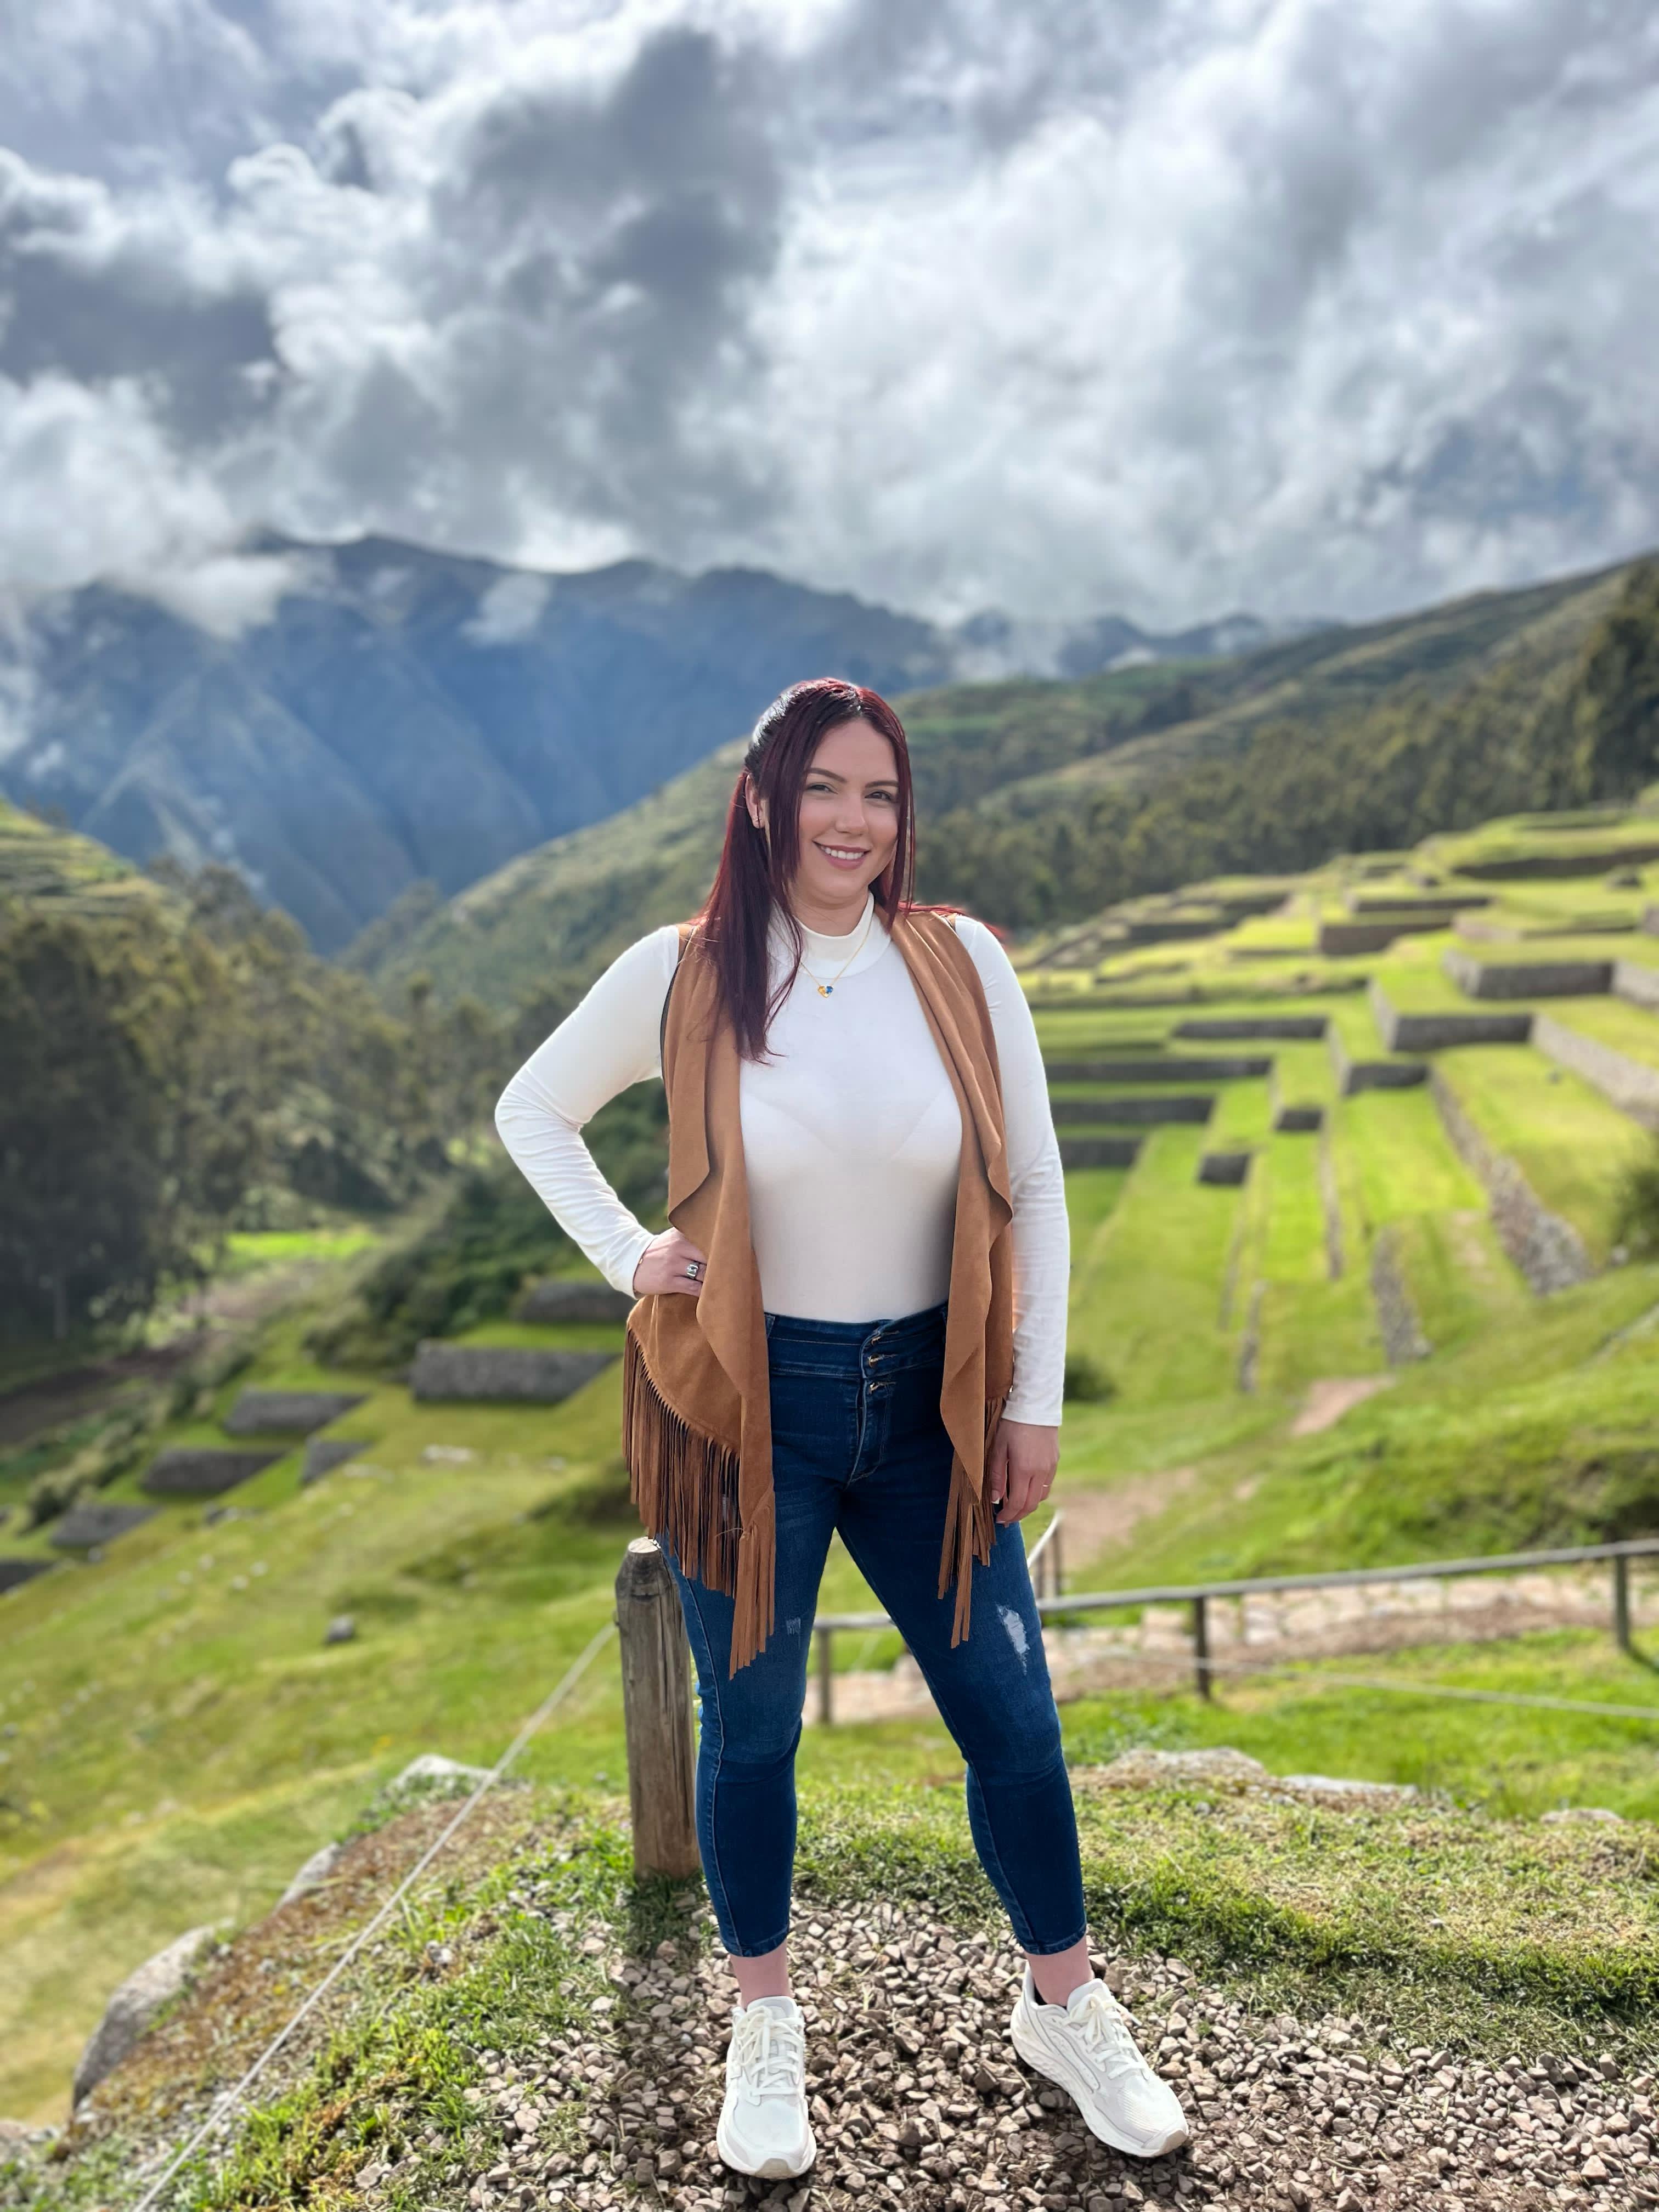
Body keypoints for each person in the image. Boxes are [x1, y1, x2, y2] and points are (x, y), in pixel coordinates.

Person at [495, 677, 1188, 2181]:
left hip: (937, 1402)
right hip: (751, 1412)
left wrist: (1033, 1402)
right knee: (752, 1732)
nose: (853, 822)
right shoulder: (685, 972)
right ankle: (763, 2026)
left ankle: (1064, 2005)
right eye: (823, 788)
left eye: (880, 794)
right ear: (763, 798)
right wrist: (631, 1256)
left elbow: (1038, 1184)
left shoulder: (961, 962)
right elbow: (532, 1111)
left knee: (1013, 1717)